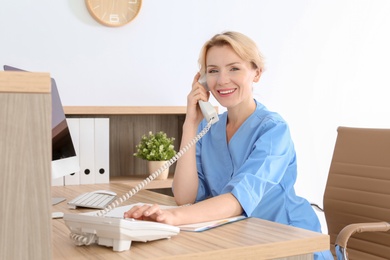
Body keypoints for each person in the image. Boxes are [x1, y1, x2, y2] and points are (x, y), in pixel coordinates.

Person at [124, 31, 333, 259]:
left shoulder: (274, 130)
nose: (222, 80)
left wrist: (173, 217)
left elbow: (239, 199)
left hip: (288, 241)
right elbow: (185, 197)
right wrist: (190, 124)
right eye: (213, 71)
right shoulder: (210, 129)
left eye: (234, 68)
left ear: (257, 73)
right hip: (238, 239)